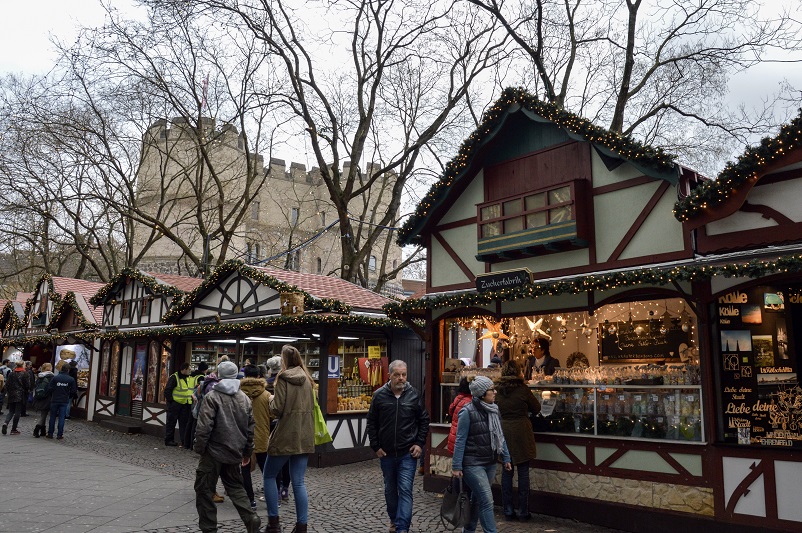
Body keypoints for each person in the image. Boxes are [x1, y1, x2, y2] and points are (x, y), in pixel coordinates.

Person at [193, 361, 261, 533]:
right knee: (236, 488)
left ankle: (209, 528)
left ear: (219, 375)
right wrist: (247, 451)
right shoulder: (244, 398)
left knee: (204, 490)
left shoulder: (212, 397)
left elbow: (204, 427)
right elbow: (250, 428)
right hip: (234, 451)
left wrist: (199, 448)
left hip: (213, 452)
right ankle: (250, 518)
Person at [367, 360, 430, 533]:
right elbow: (372, 422)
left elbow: (424, 420)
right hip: (386, 453)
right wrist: (375, 446)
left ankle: (402, 528)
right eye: (397, 375)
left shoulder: (414, 395)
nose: (401, 378)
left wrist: (419, 443)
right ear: (390, 375)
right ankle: (394, 519)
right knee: (390, 491)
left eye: (404, 375)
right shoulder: (379, 396)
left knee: (405, 490)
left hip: (407, 454)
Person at [263, 345, 315, 533]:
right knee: (299, 482)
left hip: (286, 434)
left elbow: (276, 408)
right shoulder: (308, 379)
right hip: (304, 434)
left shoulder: (283, 379)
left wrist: (270, 398)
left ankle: (273, 523)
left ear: (284, 361)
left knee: (269, 476)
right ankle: (302, 526)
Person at [451, 376, 512, 533]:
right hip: (472, 463)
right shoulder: (467, 412)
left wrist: (506, 457)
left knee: (478, 500)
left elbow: (500, 436)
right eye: (492, 390)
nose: (495, 392)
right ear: (482, 394)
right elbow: (460, 440)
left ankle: (469, 530)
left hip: (490, 462)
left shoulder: (494, 410)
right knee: (487, 500)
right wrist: (456, 466)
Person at [495, 360, 541, 521]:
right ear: (518, 372)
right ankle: (523, 511)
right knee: (523, 473)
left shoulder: (498, 390)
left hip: (504, 431)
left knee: (507, 473)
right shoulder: (523, 389)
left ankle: (508, 510)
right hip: (522, 431)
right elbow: (537, 408)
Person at [239, 363, 272, 510]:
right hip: (262, 436)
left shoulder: (238, 394)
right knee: (267, 470)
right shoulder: (266, 395)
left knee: (244, 470)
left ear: (245, 376)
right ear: (259, 376)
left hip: (242, 436)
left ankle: (250, 499)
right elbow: (272, 414)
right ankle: (272, 498)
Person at [265, 354, 291, 502]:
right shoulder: (285, 383)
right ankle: (284, 488)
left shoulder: (266, 384)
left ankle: (273, 487)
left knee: (273, 458)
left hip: (268, 423)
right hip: (282, 423)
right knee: (285, 459)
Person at [164, 362, 195, 448]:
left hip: (185, 404)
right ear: (184, 369)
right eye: (189, 369)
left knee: (183, 424)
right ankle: (169, 440)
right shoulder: (174, 377)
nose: (190, 371)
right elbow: (167, 390)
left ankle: (184, 441)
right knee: (171, 423)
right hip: (175, 404)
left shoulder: (189, 378)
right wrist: (171, 401)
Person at [46, 360, 77, 439]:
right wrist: (68, 396)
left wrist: (53, 394)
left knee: (52, 417)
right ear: (68, 370)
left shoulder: (55, 378)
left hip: (55, 399)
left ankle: (50, 433)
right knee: (61, 417)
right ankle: (59, 434)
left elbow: (49, 388)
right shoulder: (71, 379)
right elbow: (73, 391)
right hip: (64, 400)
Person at [2, 361, 30, 435]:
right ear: (23, 365)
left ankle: (5, 423)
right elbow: (27, 385)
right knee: (17, 412)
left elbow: (7, 384)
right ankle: (14, 429)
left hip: (11, 394)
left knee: (11, 411)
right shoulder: (25, 373)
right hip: (20, 394)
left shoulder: (12, 373)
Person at [446, 377, 472, 455]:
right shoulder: (470, 402)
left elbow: (450, 411)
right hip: (463, 441)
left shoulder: (458, 398)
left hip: (454, 437)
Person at [32, 363, 55, 438]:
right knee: (44, 414)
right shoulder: (51, 376)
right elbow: (52, 388)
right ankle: (37, 429)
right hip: (47, 397)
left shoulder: (40, 376)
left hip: (39, 396)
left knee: (43, 413)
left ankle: (43, 431)